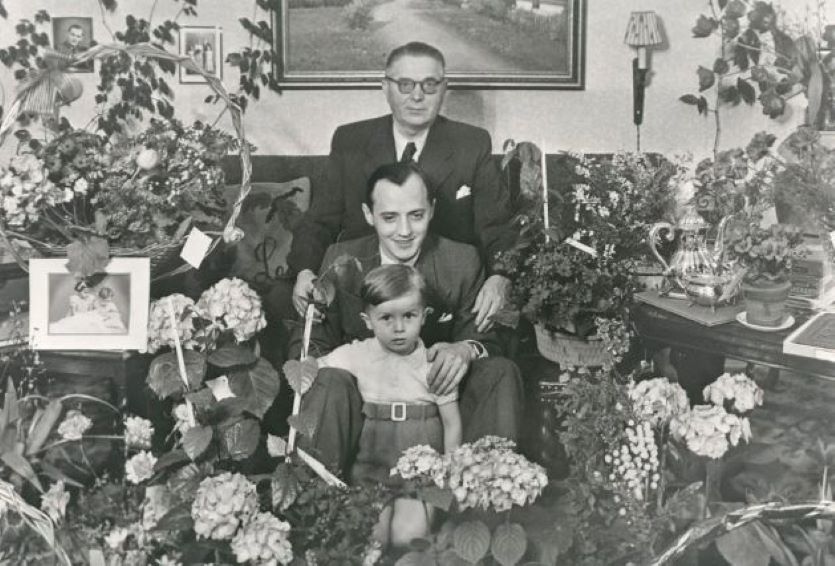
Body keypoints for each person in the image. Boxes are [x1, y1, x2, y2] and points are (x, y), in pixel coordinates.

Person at [288, 161, 522, 477]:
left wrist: (465, 350)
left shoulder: (462, 261)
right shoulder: (339, 259)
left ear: (432, 209)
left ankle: (485, 492)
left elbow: (487, 340)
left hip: (438, 404)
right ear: (368, 214)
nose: (404, 231)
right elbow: (308, 346)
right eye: (389, 217)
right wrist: (357, 368)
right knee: (324, 378)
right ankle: (319, 493)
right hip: (363, 404)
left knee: (500, 371)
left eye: (416, 215)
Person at [285, 41, 515, 334]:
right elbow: (319, 221)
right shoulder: (350, 141)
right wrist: (305, 271)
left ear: (444, 88)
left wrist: (501, 276)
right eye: (405, 84)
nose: (417, 96)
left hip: (444, 292)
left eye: (429, 84)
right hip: (365, 289)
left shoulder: (471, 143)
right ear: (385, 87)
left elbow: (497, 226)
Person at [317, 264, 461, 547]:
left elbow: (452, 423)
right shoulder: (356, 354)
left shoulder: (435, 364)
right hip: (371, 471)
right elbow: (312, 370)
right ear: (367, 320)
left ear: (424, 315)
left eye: (409, 316)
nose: (398, 328)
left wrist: (451, 475)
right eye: (386, 318)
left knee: (407, 538)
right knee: (372, 538)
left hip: (421, 474)